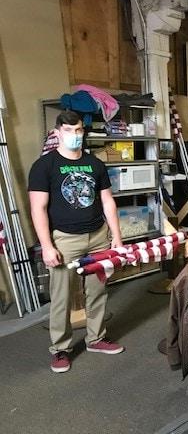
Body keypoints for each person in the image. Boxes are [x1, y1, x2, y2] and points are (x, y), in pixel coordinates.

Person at [28, 110, 124, 374]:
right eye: (69, 131)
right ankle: (60, 349)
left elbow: (107, 202)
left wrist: (116, 237)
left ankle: (96, 338)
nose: (75, 135)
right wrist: (47, 245)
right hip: (64, 240)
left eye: (79, 130)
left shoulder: (95, 164)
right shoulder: (44, 166)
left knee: (97, 291)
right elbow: (38, 208)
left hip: (98, 237)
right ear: (57, 133)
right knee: (62, 296)